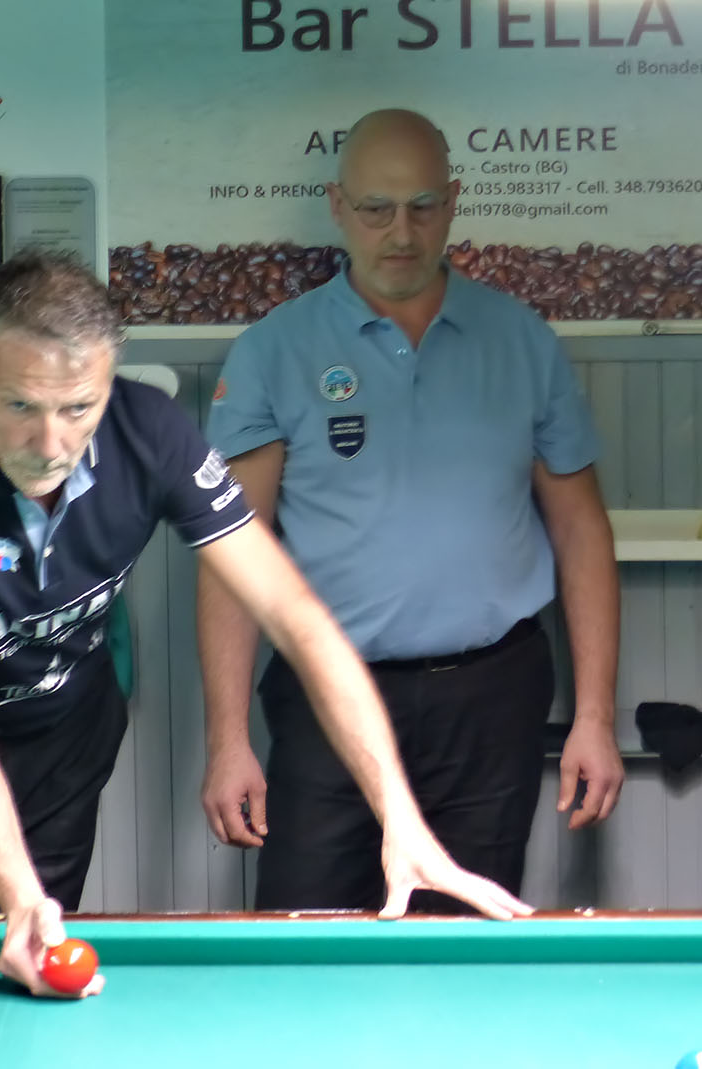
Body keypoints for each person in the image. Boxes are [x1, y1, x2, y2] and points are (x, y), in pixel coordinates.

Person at [0, 249, 531, 1001]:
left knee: (32, 961)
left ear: (109, 385)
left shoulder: (150, 432)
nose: (51, 443)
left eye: (78, 408)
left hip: (65, 733)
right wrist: (19, 895)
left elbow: (299, 619)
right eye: (22, 406)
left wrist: (401, 816)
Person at [198, 108, 625, 913]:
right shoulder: (275, 350)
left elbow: (581, 529)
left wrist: (594, 717)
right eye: (377, 209)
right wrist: (227, 741)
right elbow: (232, 553)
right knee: (309, 936)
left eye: (424, 207)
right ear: (337, 206)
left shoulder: (522, 341)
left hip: (491, 698)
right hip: (326, 697)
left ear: (453, 202)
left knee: (468, 937)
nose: (401, 232)